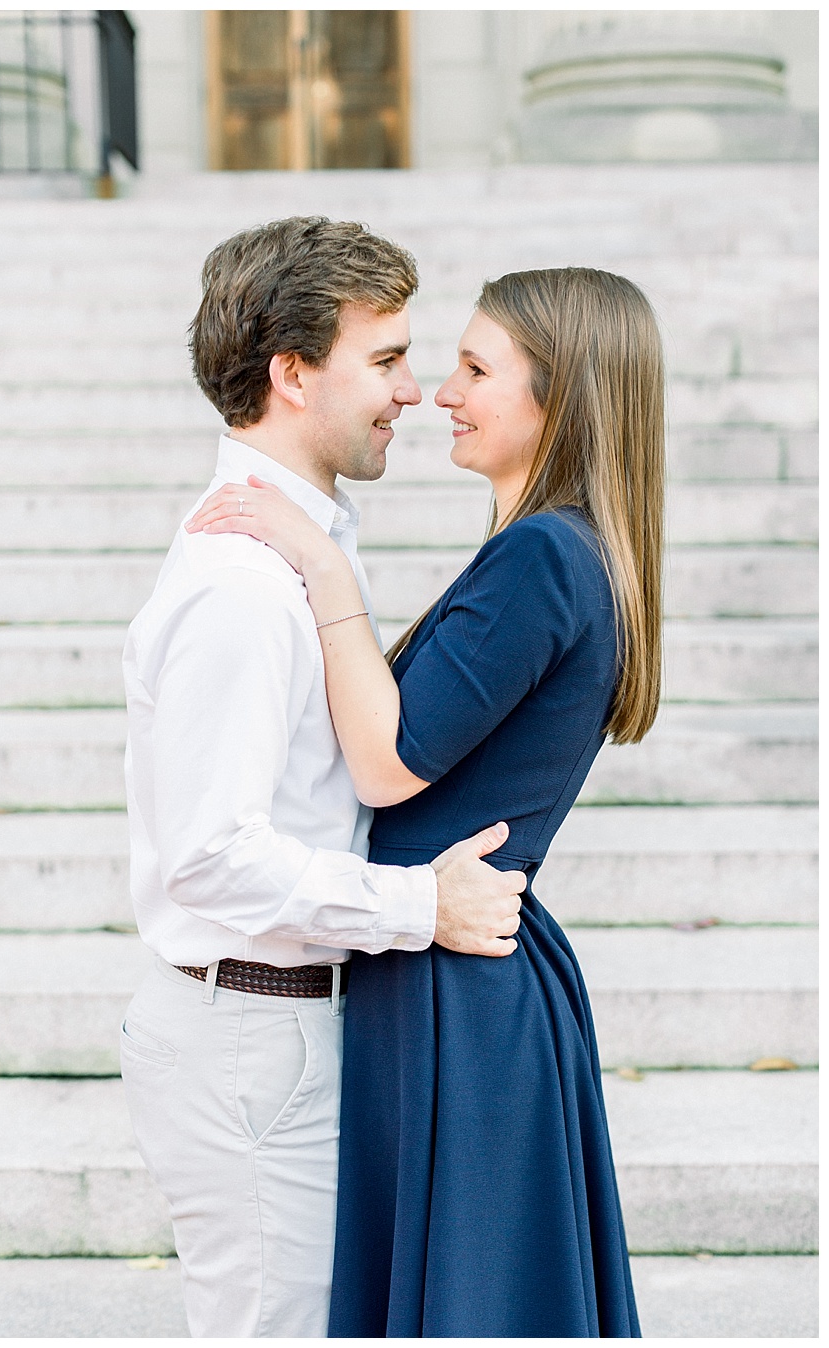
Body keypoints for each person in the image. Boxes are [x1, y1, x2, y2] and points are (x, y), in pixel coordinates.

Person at [187, 266, 657, 1336]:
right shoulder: (553, 548)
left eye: (477, 370)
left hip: (459, 988)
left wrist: (321, 564)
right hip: (457, 972)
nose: (443, 391)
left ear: (562, 398)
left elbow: (390, 762)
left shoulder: (543, 555)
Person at [118, 216, 528, 1338]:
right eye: (386, 359)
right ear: (292, 373)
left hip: (281, 1030)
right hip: (249, 1038)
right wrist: (421, 905)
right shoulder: (243, 587)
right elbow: (212, 855)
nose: (414, 388)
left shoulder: (303, 546)